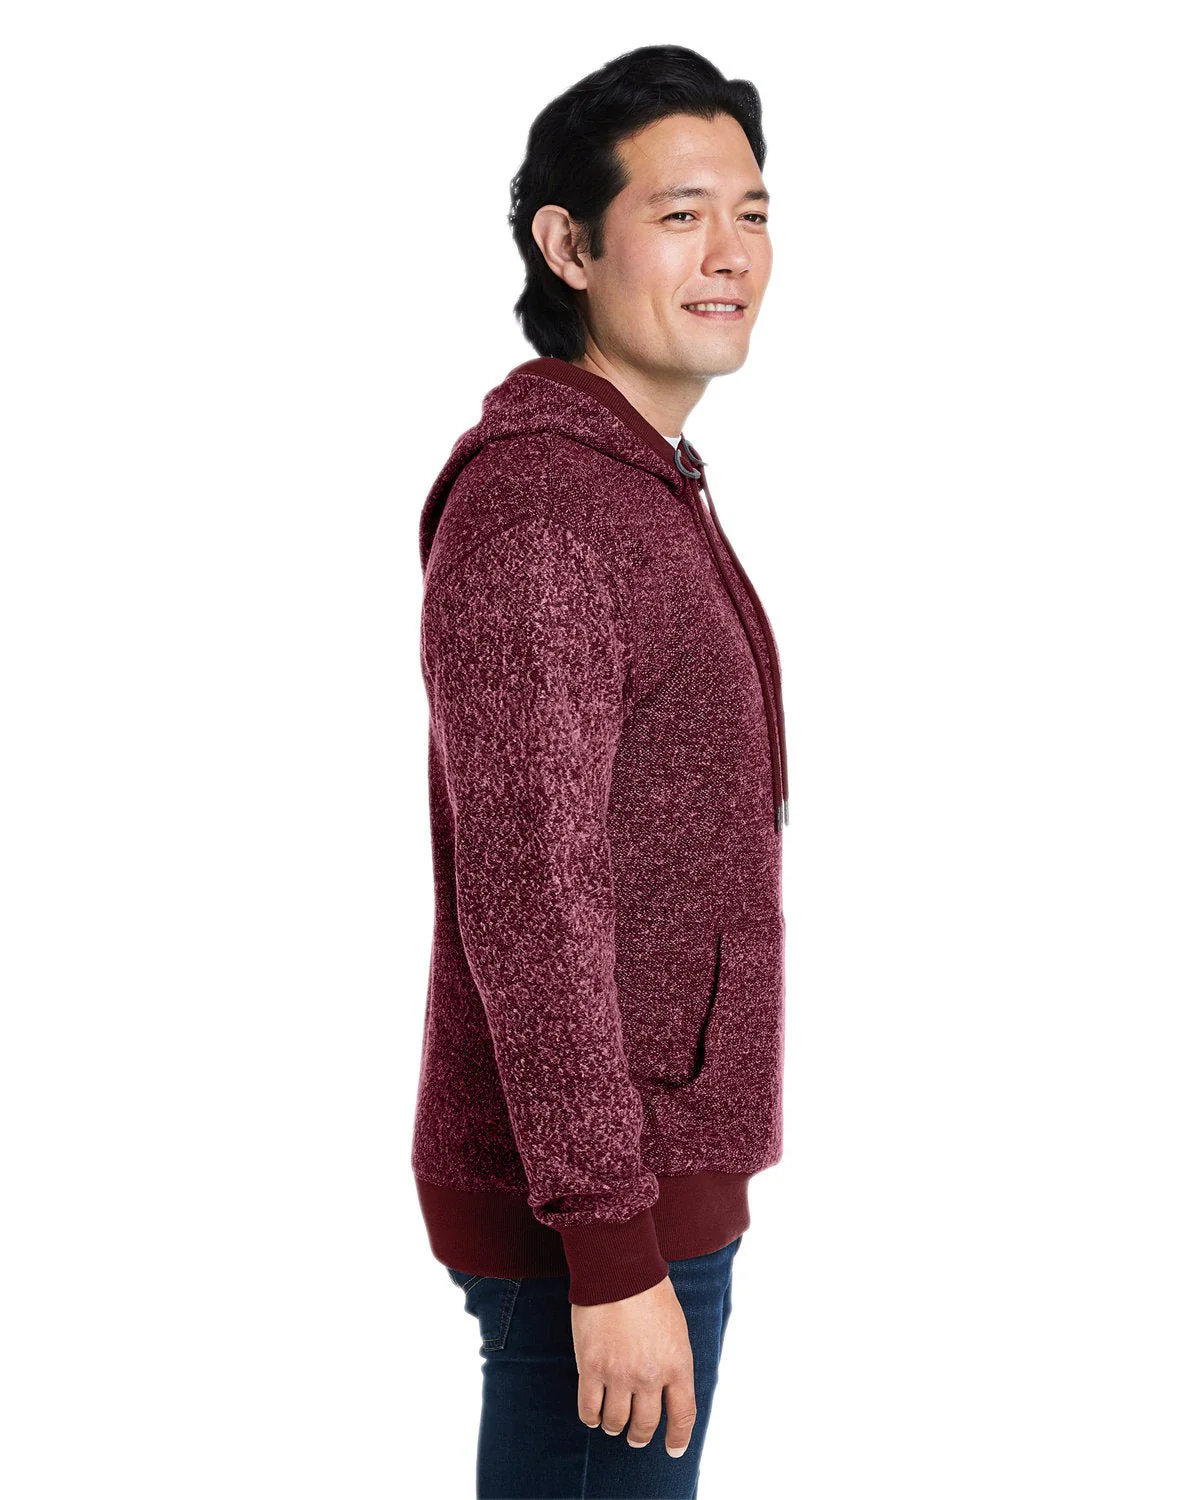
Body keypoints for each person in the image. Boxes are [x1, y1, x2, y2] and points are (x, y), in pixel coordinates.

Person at [413, 43, 788, 1499]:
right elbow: (534, 895)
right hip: (595, 1209)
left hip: (640, 1178)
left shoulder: (634, 483)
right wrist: (613, 1245)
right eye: (681, 214)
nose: (731, 255)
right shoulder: (543, 513)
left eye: (752, 214)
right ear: (566, 245)